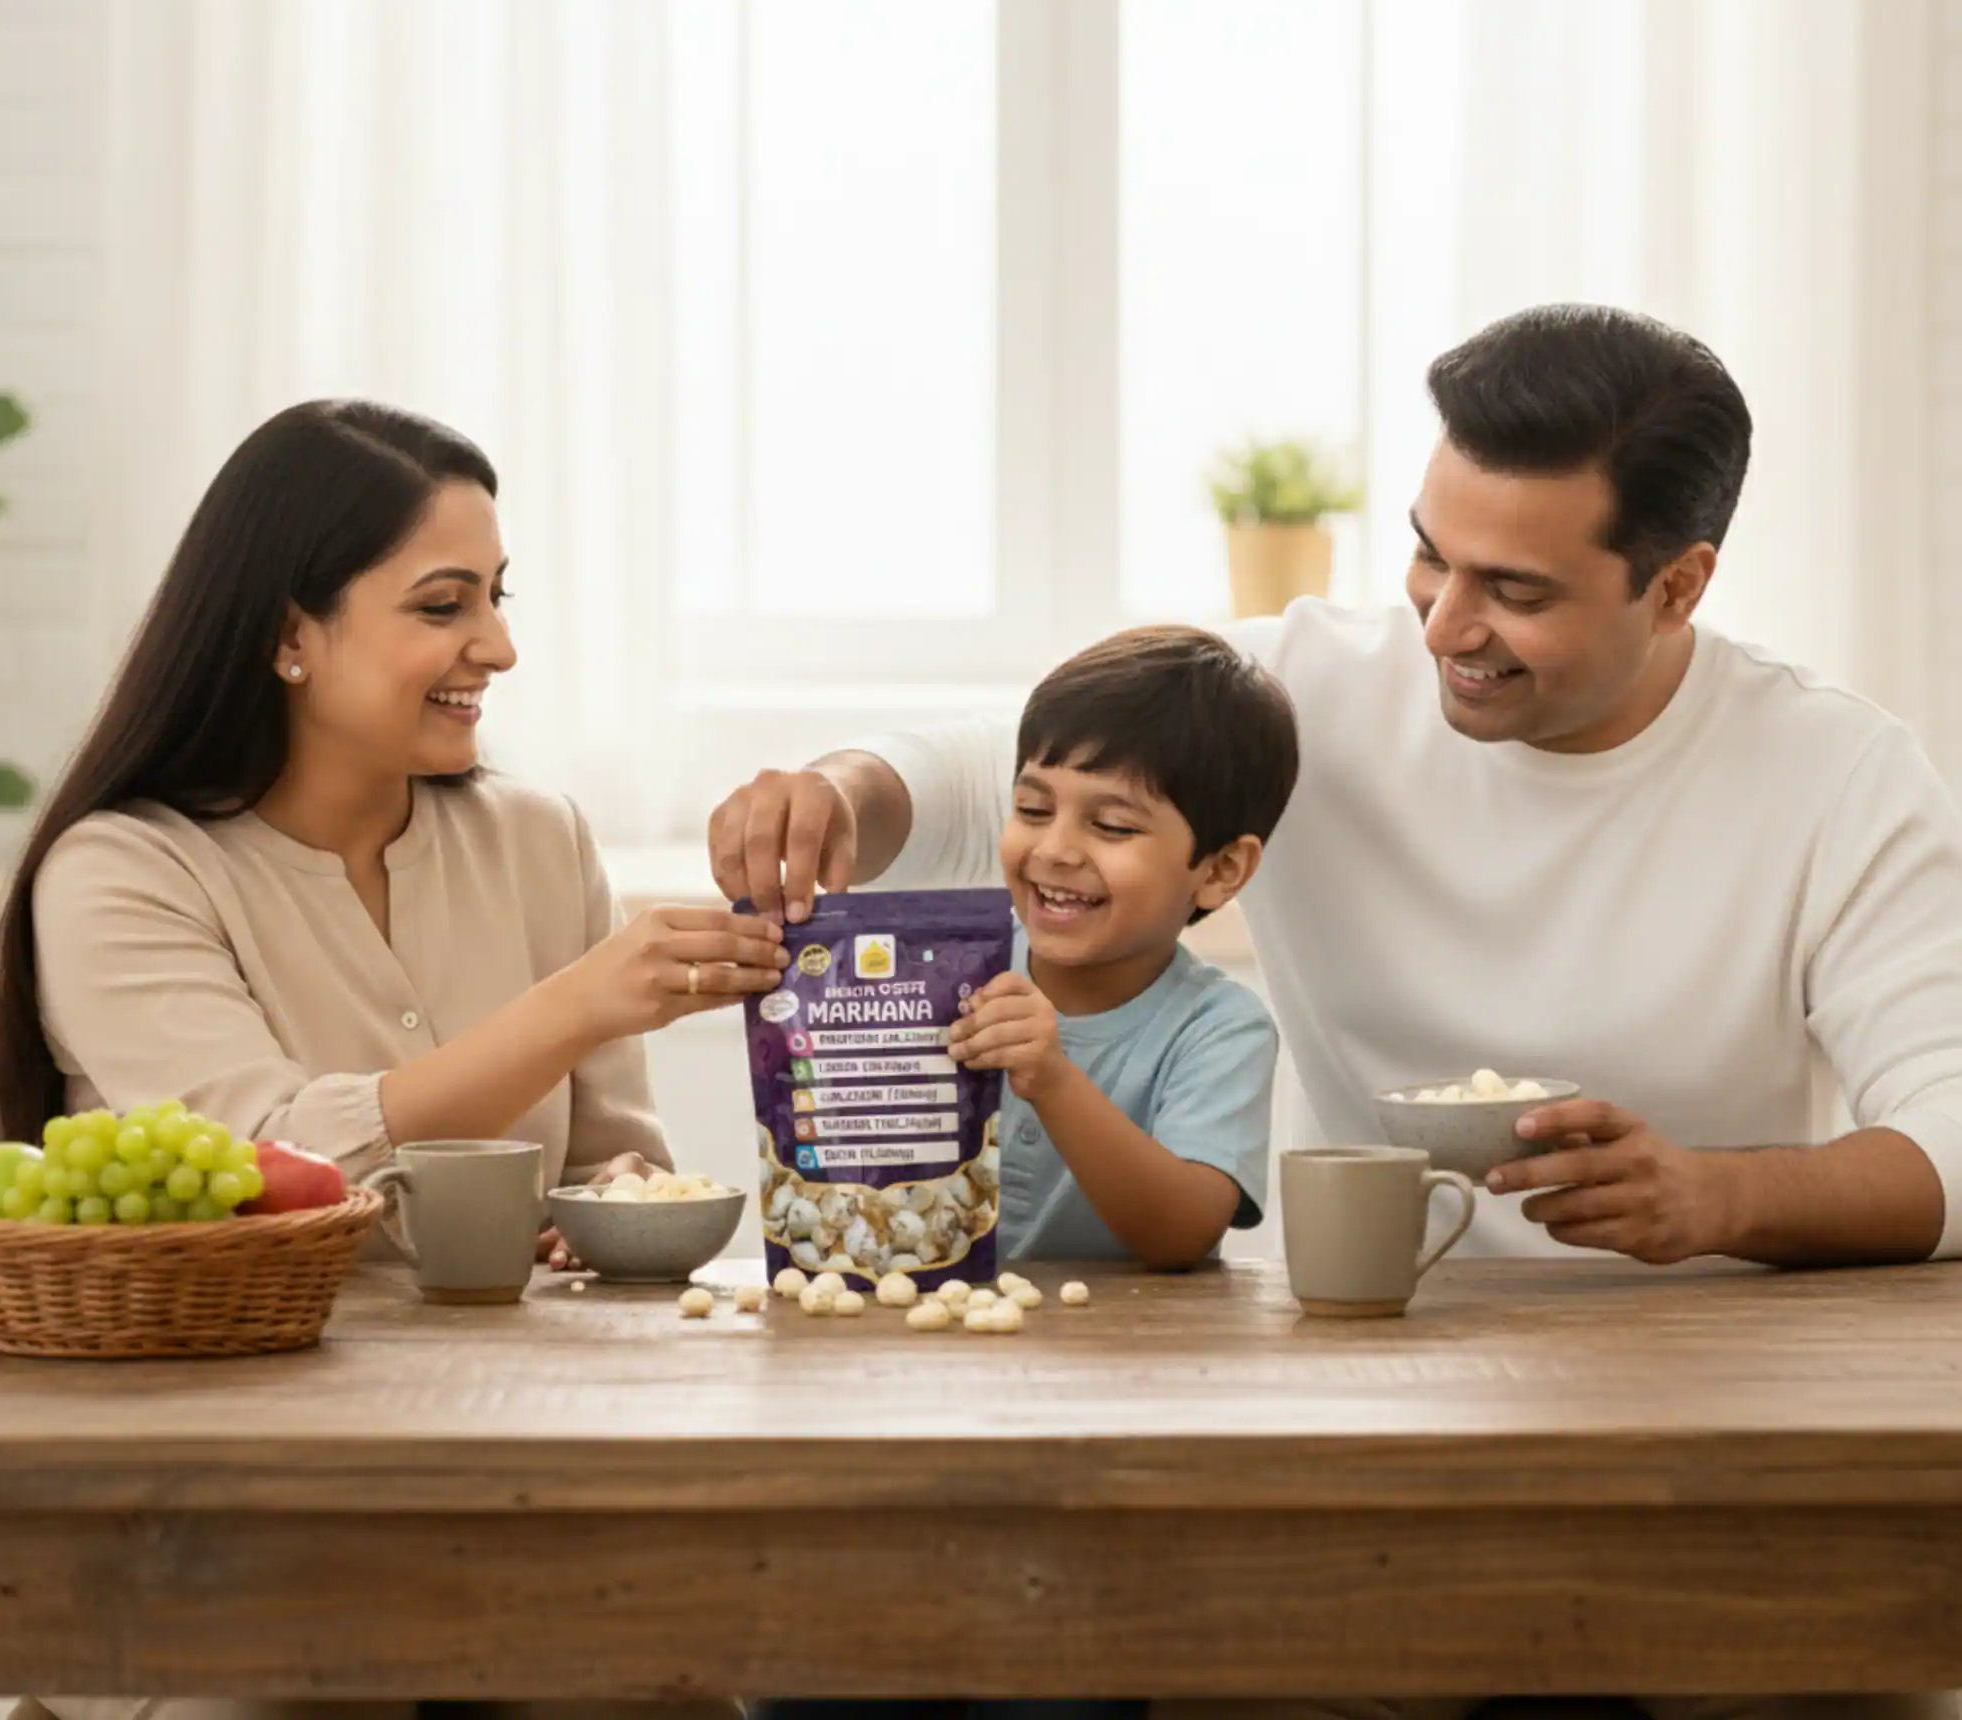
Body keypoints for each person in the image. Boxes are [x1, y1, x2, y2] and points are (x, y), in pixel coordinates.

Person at [710, 304, 1962, 1275]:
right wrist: (836, 789)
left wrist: (1718, 1196)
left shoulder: (1834, 775)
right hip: (1360, 1335)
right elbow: (1006, 758)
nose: (1443, 627)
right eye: (1428, 554)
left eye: (1514, 593)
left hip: (1704, 1346)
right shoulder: (1306, 687)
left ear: (1677, 586)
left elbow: (1949, 1135)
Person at [0, 399, 779, 1720]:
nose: (499, 647)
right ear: (291, 633)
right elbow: (269, 1162)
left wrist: (599, 1224)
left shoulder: (537, 838)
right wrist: (573, 1007)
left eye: (499, 598)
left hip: (513, 1473)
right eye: (443, 605)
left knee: (662, 1692)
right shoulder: (123, 870)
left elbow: (614, 1163)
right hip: (225, 1496)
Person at [949, 624, 1298, 1268]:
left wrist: (1052, 1079)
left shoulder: (1221, 1031)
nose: (1054, 850)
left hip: (1140, 1356)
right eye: (1031, 809)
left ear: (1220, 870)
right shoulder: (955, 973)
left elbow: (1182, 1233)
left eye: (1111, 825)